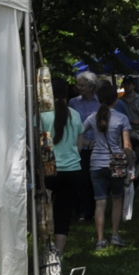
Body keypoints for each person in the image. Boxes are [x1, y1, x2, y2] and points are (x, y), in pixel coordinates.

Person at [39, 79, 90, 260]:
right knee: (64, 211)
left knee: (45, 209)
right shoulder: (74, 115)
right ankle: (58, 254)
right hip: (73, 169)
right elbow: (80, 144)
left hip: (50, 169)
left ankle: (46, 246)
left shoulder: (43, 117)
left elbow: (41, 146)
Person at [78, 89, 134, 248]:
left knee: (100, 202)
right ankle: (115, 235)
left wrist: (88, 144)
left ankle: (100, 239)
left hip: (96, 162)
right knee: (117, 199)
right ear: (115, 100)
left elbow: (79, 132)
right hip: (116, 162)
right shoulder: (121, 118)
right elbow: (127, 146)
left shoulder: (92, 117)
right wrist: (131, 166)